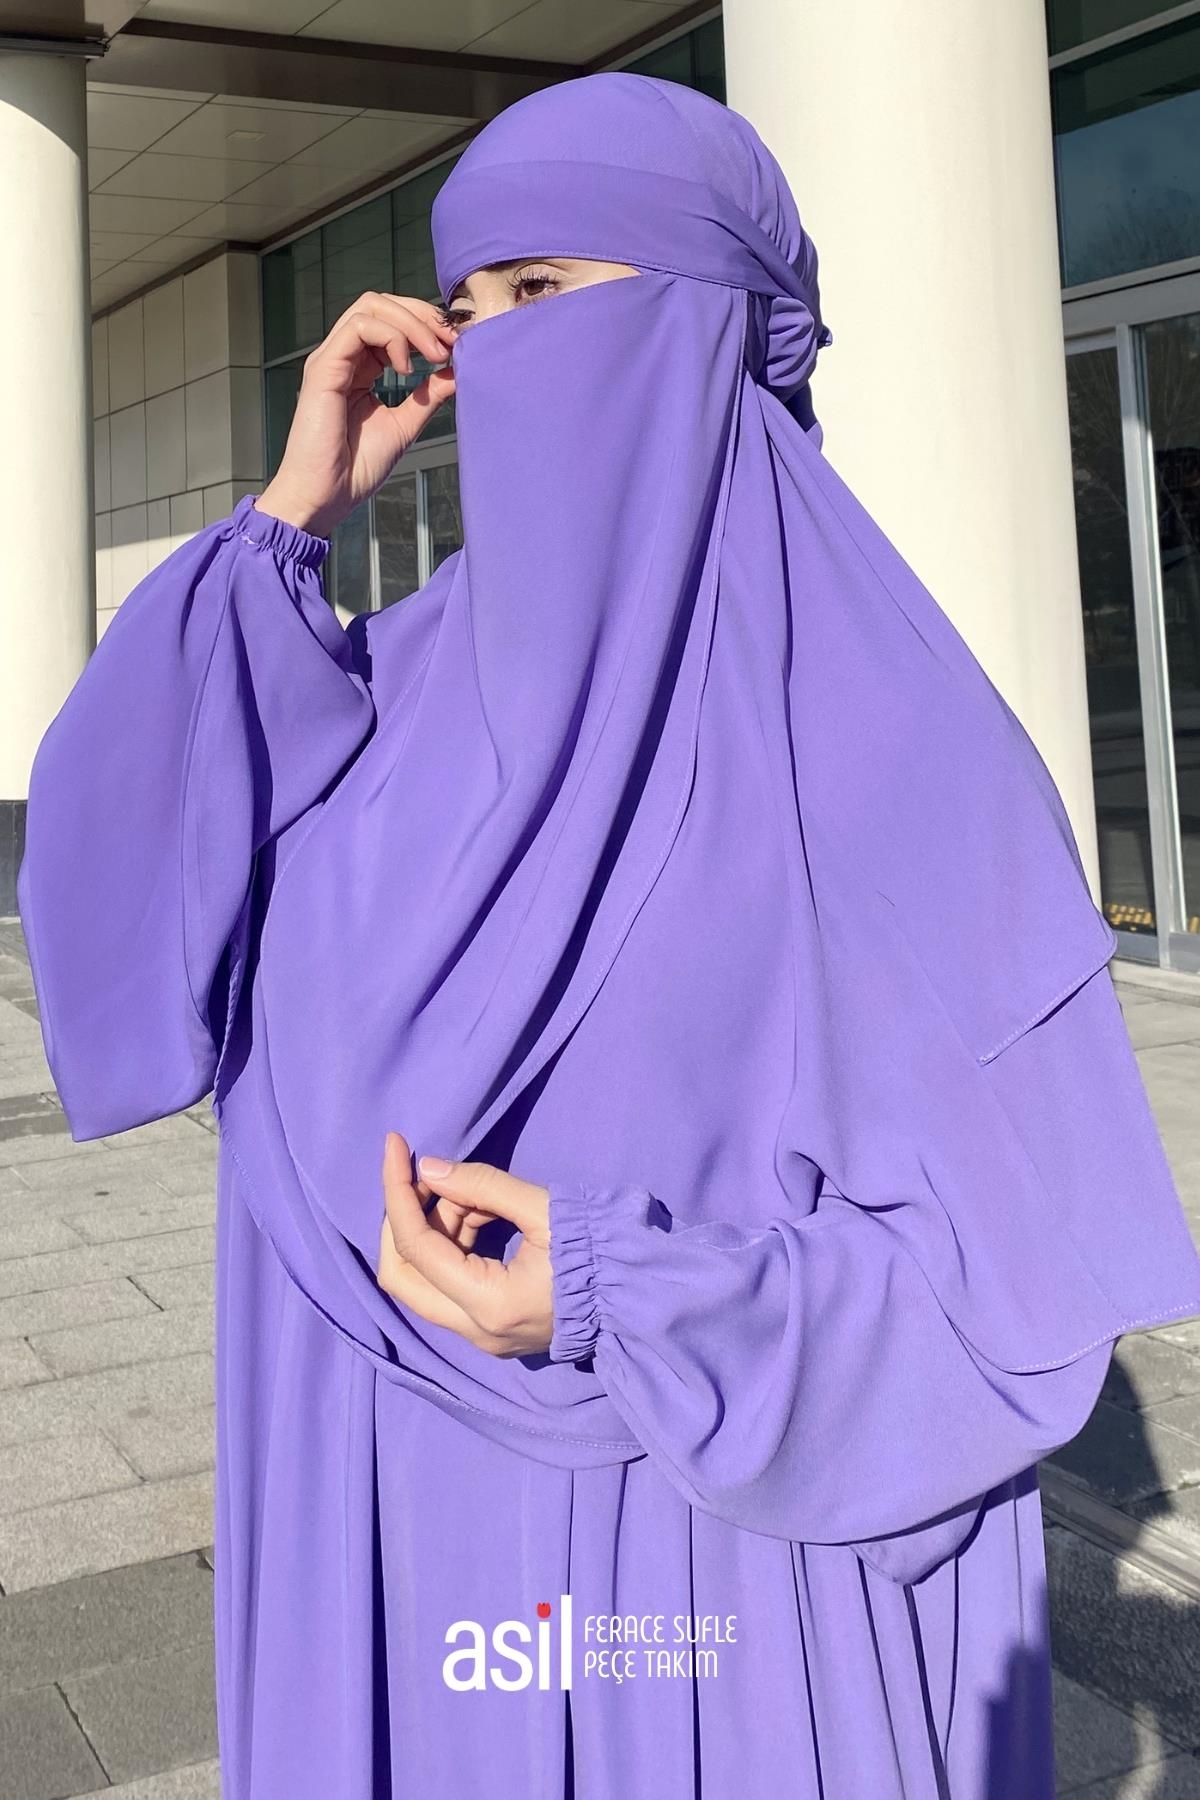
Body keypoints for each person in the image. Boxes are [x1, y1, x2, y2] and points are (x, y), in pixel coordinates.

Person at [18, 71, 1200, 1800]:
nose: (497, 352)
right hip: (393, 1540)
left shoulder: (891, 746)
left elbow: (1006, 1297)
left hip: (711, 1585)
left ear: (712, 324)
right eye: (470, 305)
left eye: (548, 290)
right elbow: (120, 921)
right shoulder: (382, 692)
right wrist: (293, 516)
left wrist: (622, 1292)